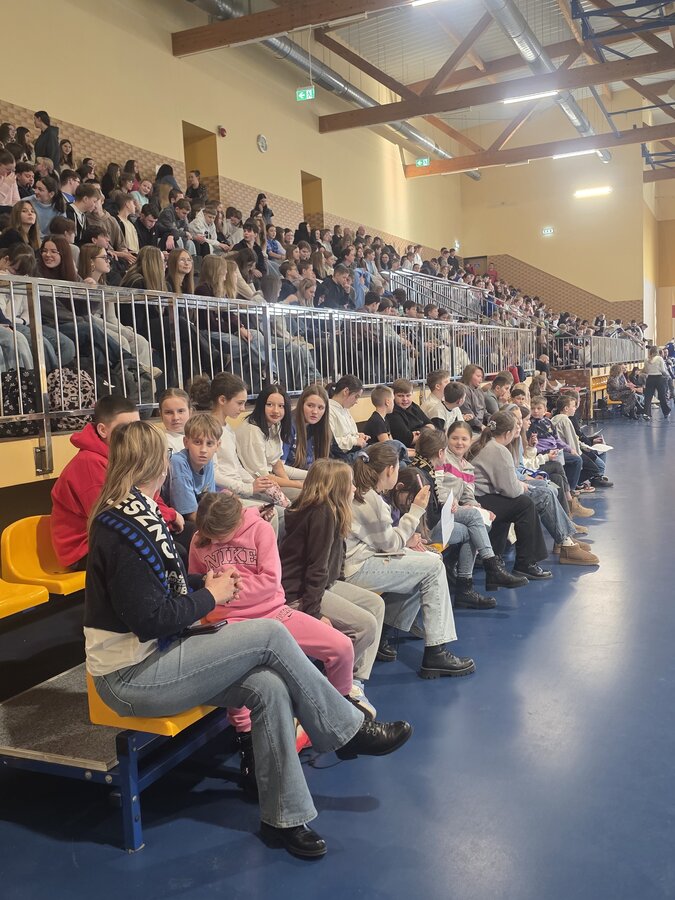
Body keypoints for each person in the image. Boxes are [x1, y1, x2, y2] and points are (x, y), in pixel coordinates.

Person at [84, 420, 412, 860]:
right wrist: (210, 596)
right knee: (270, 634)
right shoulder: (122, 528)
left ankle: (285, 817)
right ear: (157, 465)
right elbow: (151, 619)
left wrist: (203, 582)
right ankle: (344, 729)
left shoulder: (137, 515)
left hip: (155, 658)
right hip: (130, 678)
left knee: (268, 686)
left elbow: (163, 588)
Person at [344, 443, 475, 678]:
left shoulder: (367, 494)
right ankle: (436, 651)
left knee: (428, 559)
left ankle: (385, 633)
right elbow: (391, 544)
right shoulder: (371, 500)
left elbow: (383, 540)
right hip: (356, 567)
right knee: (432, 568)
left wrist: (406, 538)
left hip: (364, 557)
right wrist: (415, 511)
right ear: (390, 470)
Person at [280, 459, 385, 720]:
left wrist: (340, 583)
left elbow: (333, 560)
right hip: (300, 593)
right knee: (365, 626)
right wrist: (314, 614)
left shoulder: (331, 510)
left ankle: (354, 681)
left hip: (323, 585)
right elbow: (315, 568)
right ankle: (334, 691)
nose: (354, 488)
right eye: (350, 483)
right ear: (336, 486)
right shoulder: (321, 513)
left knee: (376, 605)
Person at [50, 396, 142, 569]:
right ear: (102, 430)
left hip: (110, 537)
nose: (133, 434)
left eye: (137, 427)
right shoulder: (88, 463)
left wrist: (168, 515)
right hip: (82, 550)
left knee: (182, 537)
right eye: (124, 428)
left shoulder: (124, 454)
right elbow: (109, 517)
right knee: (158, 553)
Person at [468, 411, 552, 582]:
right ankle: (526, 563)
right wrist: (522, 486)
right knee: (524, 505)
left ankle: (496, 555)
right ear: (507, 433)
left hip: (477, 496)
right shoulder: (499, 450)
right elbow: (511, 490)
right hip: (479, 498)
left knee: (510, 504)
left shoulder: (482, 442)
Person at [235, 384, 307, 499]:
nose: (276, 411)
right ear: (261, 405)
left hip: (272, 477)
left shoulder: (275, 424)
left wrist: (291, 483)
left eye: (281, 406)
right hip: (258, 485)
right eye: (269, 405)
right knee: (309, 494)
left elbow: (276, 464)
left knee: (315, 479)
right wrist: (297, 485)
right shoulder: (252, 430)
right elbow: (262, 477)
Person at [164, 412, 221, 523]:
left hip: (196, 514)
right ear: (186, 442)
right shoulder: (178, 463)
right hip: (174, 520)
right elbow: (189, 515)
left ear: (217, 445)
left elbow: (211, 503)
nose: (203, 450)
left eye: (209, 443)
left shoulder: (207, 461)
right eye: (197, 442)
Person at [281, 384, 331, 471]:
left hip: (308, 475)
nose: (315, 412)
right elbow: (280, 467)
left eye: (320, 408)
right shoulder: (289, 424)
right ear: (302, 404)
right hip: (290, 476)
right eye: (310, 405)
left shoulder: (321, 427)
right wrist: (310, 476)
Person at [328, 375, 369, 462]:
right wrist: (355, 441)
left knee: (387, 448)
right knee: (388, 447)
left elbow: (349, 434)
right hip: (341, 458)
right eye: (356, 396)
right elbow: (332, 444)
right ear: (346, 391)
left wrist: (358, 436)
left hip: (352, 451)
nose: (357, 402)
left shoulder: (345, 409)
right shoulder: (329, 410)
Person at [387, 379, 434, 449]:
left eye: (408, 395)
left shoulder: (414, 406)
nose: (405, 399)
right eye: (400, 396)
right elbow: (408, 439)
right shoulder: (392, 412)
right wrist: (426, 431)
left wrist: (418, 433)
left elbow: (431, 425)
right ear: (393, 396)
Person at [641, 345, 671, 420]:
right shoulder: (660, 358)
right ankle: (666, 412)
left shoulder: (646, 359)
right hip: (659, 378)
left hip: (650, 378)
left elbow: (646, 370)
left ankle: (646, 414)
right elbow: (662, 370)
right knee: (662, 396)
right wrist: (667, 375)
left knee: (648, 397)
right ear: (657, 352)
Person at [158, 387, 192, 453]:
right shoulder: (160, 442)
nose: (175, 418)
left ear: (190, 412)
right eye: (169, 412)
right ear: (161, 415)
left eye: (181, 411)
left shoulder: (202, 436)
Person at [459, 364, 488, 432]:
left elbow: (484, 410)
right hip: (471, 428)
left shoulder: (479, 390)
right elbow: (467, 412)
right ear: (469, 376)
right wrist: (481, 426)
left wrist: (492, 419)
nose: (481, 379)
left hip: (482, 424)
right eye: (478, 376)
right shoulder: (463, 390)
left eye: (481, 377)